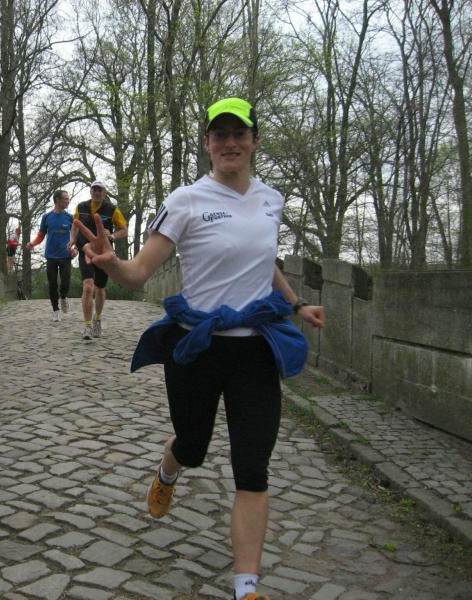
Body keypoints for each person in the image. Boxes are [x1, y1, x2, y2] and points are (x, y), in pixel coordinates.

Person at [76, 98, 326, 600]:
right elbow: (140, 272)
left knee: (252, 469)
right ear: (208, 144)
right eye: (220, 135)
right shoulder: (187, 200)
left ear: (254, 140)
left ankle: (246, 587)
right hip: (199, 346)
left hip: (255, 350)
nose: (230, 143)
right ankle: (168, 470)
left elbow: (261, 261)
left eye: (239, 134)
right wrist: (112, 263)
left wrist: (296, 303)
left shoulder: (271, 199)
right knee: (193, 446)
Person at [68, 180, 128, 339]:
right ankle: (87, 326)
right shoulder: (81, 207)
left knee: (100, 288)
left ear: (105, 193)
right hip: (86, 251)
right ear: (90, 192)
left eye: (100, 190)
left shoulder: (112, 210)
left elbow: (124, 230)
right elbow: (75, 225)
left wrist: (112, 236)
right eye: (94, 189)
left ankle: (98, 319)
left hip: (103, 254)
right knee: (88, 286)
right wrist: (73, 239)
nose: (97, 192)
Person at [26, 189, 78, 321]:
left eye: (68, 199)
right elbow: (41, 235)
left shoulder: (70, 218)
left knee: (65, 284)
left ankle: (63, 297)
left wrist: (75, 248)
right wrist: (33, 243)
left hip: (66, 255)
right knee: (52, 285)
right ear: (57, 200)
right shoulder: (47, 217)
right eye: (65, 199)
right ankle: (55, 311)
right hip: (51, 256)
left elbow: (76, 236)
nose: (68, 201)